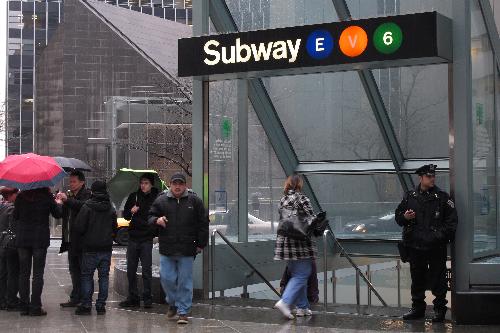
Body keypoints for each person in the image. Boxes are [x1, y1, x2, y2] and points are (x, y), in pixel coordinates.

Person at [395, 164, 458, 323]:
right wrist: (405, 217)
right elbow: (398, 217)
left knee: (438, 279)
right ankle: (417, 308)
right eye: (429, 176)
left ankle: (439, 310)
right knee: (417, 278)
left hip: (435, 247)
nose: (432, 179)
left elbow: (451, 224)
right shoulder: (410, 197)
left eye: (433, 176)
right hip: (415, 247)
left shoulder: (443, 198)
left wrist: (436, 237)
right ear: (421, 178)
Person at [148, 172, 208, 325]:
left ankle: (183, 312)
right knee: (167, 278)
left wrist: (201, 244)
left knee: (184, 281)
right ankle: (173, 302)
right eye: (175, 183)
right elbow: (150, 217)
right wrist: (157, 220)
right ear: (170, 184)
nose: (177, 186)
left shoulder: (194, 201)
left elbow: (203, 223)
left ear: (185, 185)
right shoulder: (161, 200)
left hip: (187, 249)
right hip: (167, 248)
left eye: (180, 183)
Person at [274, 174, 317, 319]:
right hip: (300, 243)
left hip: (286, 243)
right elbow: (311, 218)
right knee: (302, 273)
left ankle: (302, 307)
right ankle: (285, 302)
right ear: (299, 184)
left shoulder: (282, 200)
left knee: (298, 274)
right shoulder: (302, 199)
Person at [14, 187, 63, 316]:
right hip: (39, 239)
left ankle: (24, 306)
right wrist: (59, 203)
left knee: (23, 273)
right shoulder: (46, 197)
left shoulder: (20, 197)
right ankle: (35, 306)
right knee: (37, 274)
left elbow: (15, 216)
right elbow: (57, 214)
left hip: (23, 239)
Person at [74, 181, 117, 316]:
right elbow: (114, 228)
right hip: (105, 248)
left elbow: (79, 227)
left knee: (87, 276)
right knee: (104, 277)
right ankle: (101, 305)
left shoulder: (87, 206)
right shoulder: (110, 208)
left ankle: (86, 304)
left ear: (92, 191)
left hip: (89, 247)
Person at [119, 173, 159, 309]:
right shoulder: (134, 196)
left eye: (146, 183)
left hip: (147, 238)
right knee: (131, 270)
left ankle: (147, 298)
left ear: (151, 184)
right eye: (142, 183)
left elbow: (158, 215)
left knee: (146, 270)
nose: (143, 185)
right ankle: (133, 297)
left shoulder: (156, 198)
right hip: (133, 237)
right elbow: (126, 216)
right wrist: (131, 210)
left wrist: (152, 228)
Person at [58, 170, 92, 308]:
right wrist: (60, 203)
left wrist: (68, 200)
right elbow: (62, 215)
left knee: (84, 271)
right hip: (70, 239)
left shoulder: (88, 194)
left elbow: (83, 207)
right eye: (70, 181)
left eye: (74, 181)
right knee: (73, 270)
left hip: (82, 240)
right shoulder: (70, 195)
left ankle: (85, 299)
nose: (71, 184)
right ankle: (75, 297)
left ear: (82, 182)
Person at [0, 187, 20, 311]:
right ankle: (10, 299)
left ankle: (2, 299)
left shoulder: (2, 207)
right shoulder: (12, 209)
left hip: (2, 244)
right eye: (17, 194)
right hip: (10, 245)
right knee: (13, 273)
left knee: (3, 273)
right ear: (11, 195)